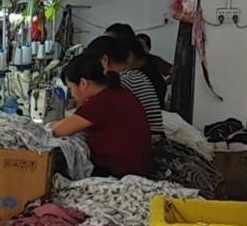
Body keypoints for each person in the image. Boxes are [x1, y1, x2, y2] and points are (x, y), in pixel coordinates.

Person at [50, 46, 150, 177]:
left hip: (119, 173)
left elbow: (58, 131)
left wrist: (51, 125)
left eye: (71, 88)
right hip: (134, 168)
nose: (72, 94)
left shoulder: (100, 102)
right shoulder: (117, 93)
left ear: (83, 83)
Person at [89, 32, 164, 139]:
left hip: (150, 139)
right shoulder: (134, 75)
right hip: (150, 136)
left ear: (104, 60)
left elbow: (95, 110)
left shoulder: (126, 80)